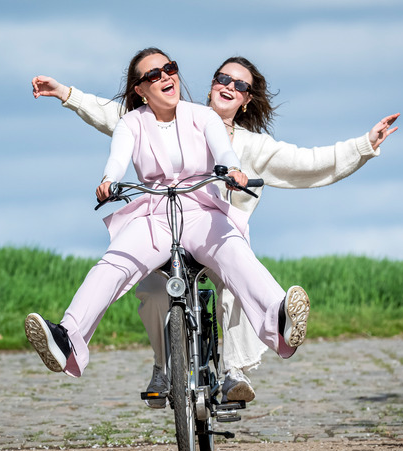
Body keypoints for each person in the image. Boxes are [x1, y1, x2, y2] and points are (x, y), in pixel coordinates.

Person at [31, 56, 399, 403]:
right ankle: (139, 359)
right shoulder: (169, 113)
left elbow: (309, 163)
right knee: (141, 281)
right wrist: (68, 96)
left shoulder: (249, 143)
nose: (228, 85)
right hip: (161, 221)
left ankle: (242, 359)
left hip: (215, 227)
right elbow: (121, 120)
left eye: (239, 85)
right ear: (209, 84)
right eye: (222, 78)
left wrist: (363, 145)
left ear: (246, 100)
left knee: (235, 273)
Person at [25, 47, 310, 382]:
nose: (165, 77)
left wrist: (233, 170)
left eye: (169, 69)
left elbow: (223, 149)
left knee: (236, 253)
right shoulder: (131, 123)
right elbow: (118, 158)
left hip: (201, 209)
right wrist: (108, 181)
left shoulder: (202, 116)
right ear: (140, 90)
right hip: (154, 214)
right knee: (113, 264)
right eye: (153, 75)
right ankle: (68, 338)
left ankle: (280, 318)